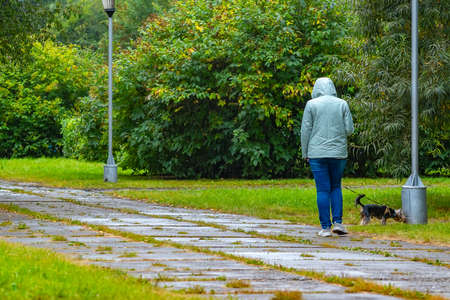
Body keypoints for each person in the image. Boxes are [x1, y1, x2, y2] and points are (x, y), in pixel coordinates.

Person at [300, 77, 354, 237]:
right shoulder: (342, 103)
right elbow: (350, 129)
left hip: (316, 153)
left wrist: (305, 153)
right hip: (338, 154)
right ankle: (338, 223)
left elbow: (305, 131)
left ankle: (325, 228)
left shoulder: (311, 105)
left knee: (322, 189)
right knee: (336, 186)